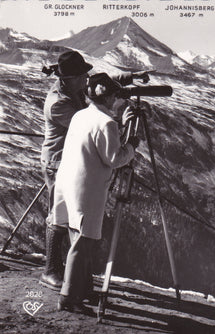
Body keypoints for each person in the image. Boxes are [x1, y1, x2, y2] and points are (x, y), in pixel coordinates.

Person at [40, 50, 149, 290]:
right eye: (82, 76)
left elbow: (102, 82)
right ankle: (52, 271)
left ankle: (74, 275)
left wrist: (131, 77)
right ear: (68, 79)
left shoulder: (75, 85)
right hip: (59, 161)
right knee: (58, 219)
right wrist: (120, 122)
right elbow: (89, 125)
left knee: (67, 218)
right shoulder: (58, 103)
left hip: (74, 159)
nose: (86, 79)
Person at [53, 73, 139, 312]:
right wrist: (131, 143)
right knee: (82, 244)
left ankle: (80, 290)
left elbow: (96, 144)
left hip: (67, 183)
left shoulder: (81, 115)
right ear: (110, 96)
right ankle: (69, 298)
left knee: (75, 238)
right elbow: (114, 158)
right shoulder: (107, 123)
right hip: (86, 189)